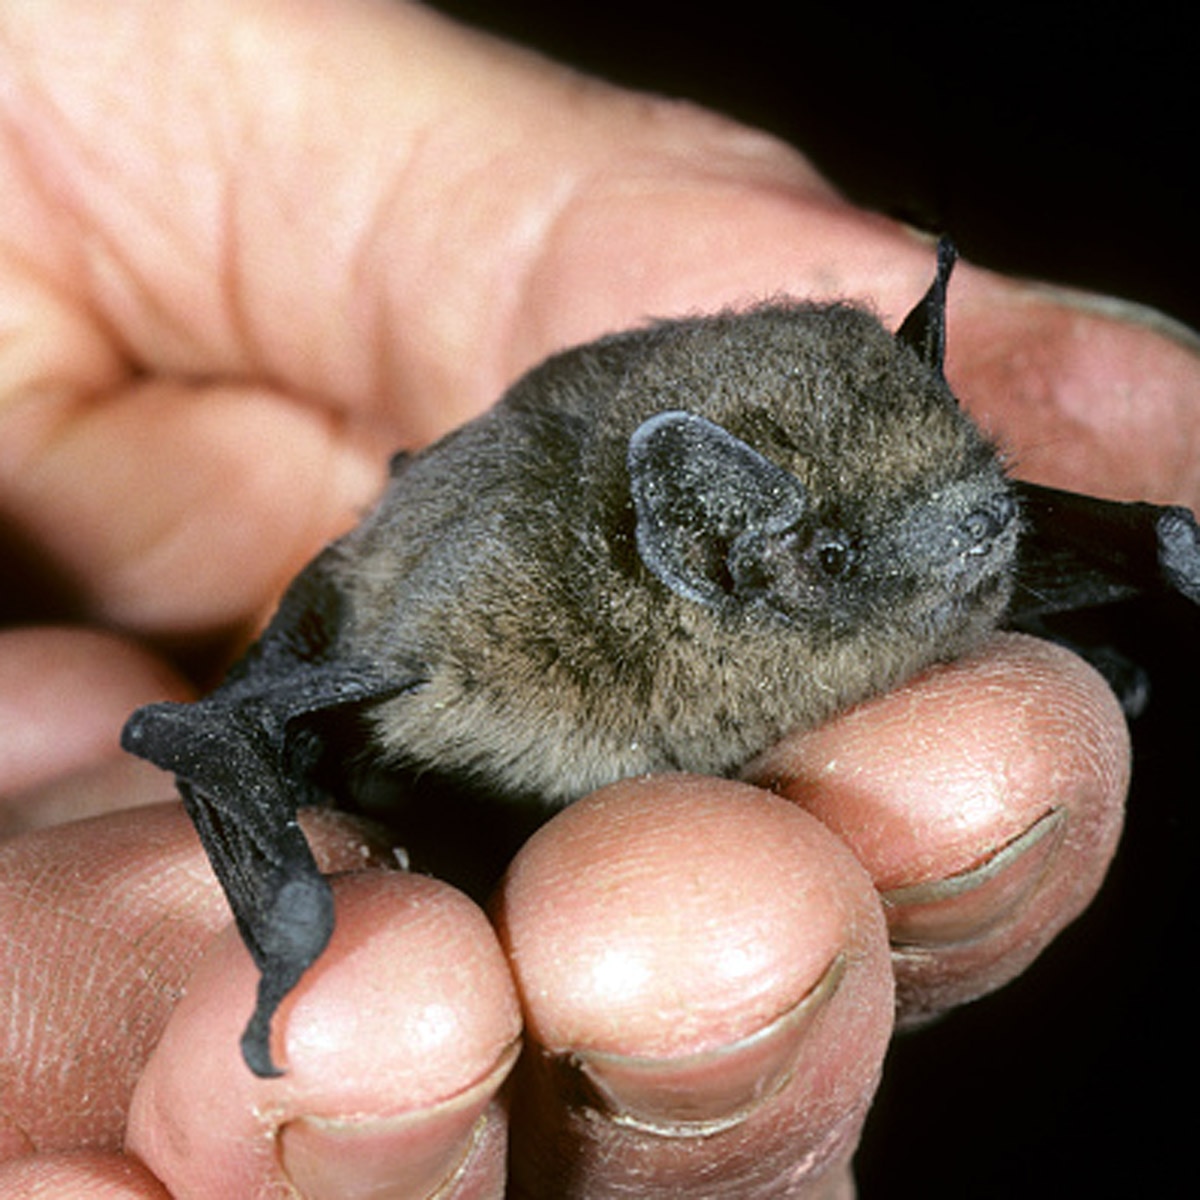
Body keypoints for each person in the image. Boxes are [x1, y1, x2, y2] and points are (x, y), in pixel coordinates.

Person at [1, 2, 1196, 1196]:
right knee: (454, 943)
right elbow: (314, 696)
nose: (984, 521)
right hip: (445, 679)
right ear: (715, 555)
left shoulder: (938, 521)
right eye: (834, 553)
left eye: (964, 469)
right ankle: (334, 949)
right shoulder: (504, 632)